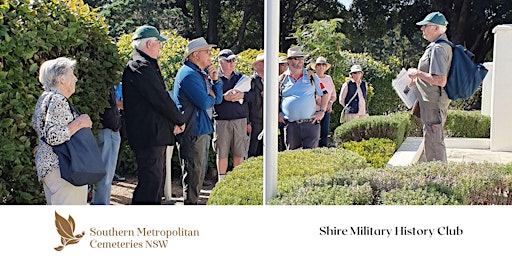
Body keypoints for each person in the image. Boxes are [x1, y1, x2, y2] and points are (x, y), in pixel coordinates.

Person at [122, 25, 185, 204]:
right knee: (150, 184)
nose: (160, 48)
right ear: (149, 44)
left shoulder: (144, 64)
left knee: (155, 183)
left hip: (154, 134)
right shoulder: (139, 65)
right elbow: (160, 98)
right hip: (148, 135)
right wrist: (179, 119)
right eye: (158, 43)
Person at [32, 57, 91, 205]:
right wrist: (79, 122)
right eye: (72, 74)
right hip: (64, 168)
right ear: (62, 79)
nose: (76, 79)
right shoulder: (58, 100)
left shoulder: (44, 98)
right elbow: (53, 135)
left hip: (50, 168)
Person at [174, 37, 223, 204]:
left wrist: (215, 80)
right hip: (193, 131)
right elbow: (204, 102)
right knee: (194, 173)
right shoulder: (188, 74)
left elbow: (217, 100)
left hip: (200, 129)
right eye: (207, 52)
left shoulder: (197, 73)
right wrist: (211, 95)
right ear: (195, 55)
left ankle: (192, 204)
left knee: (198, 172)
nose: (210, 55)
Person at [407, 12, 452, 162]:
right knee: (431, 140)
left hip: (434, 104)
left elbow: (440, 80)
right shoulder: (435, 46)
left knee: (434, 143)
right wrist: (418, 80)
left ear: (436, 28)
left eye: (425, 26)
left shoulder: (439, 48)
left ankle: (439, 180)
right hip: (431, 103)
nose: (422, 29)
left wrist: (418, 73)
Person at [278, 46, 329, 150]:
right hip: (290, 125)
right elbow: (272, 98)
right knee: (292, 157)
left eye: (302, 58)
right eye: (297, 58)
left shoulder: (311, 76)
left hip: (310, 123)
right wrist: (276, 114)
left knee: (310, 157)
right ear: (289, 61)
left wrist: (322, 111)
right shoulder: (282, 79)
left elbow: (325, 94)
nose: (301, 61)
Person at [213, 49, 249, 180]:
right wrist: (224, 98)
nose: (232, 63)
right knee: (221, 153)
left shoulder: (241, 77)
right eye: (229, 60)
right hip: (221, 121)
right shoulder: (214, 78)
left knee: (239, 153)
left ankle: (237, 182)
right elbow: (210, 98)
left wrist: (243, 95)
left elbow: (252, 96)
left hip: (239, 120)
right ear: (220, 62)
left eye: (233, 60)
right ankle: (221, 182)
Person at [91, 87, 121, 205]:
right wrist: (115, 125)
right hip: (107, 131)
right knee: (105, 177)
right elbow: (109, 110)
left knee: (103, 176)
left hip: (104, 129)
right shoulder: (105, 84)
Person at [312, 57, 337, 147]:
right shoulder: (312, 78)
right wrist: (323, 104)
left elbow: (333, 94)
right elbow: (313, 95)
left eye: (323, 65)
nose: (321, 67)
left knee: (325, 133)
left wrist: (330, 103)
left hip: (326, 111)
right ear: (315, 67)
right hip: (315, 111)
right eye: (319, 65)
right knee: (315, 134)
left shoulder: (329, 78)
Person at [246, 53, 265, 157]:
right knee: (252, 149)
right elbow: (247, 102)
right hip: (254, 120)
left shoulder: (271, 80)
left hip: (267, 120)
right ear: (257, 65)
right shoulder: (251, 81)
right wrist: (247, 122)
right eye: (262, 63)